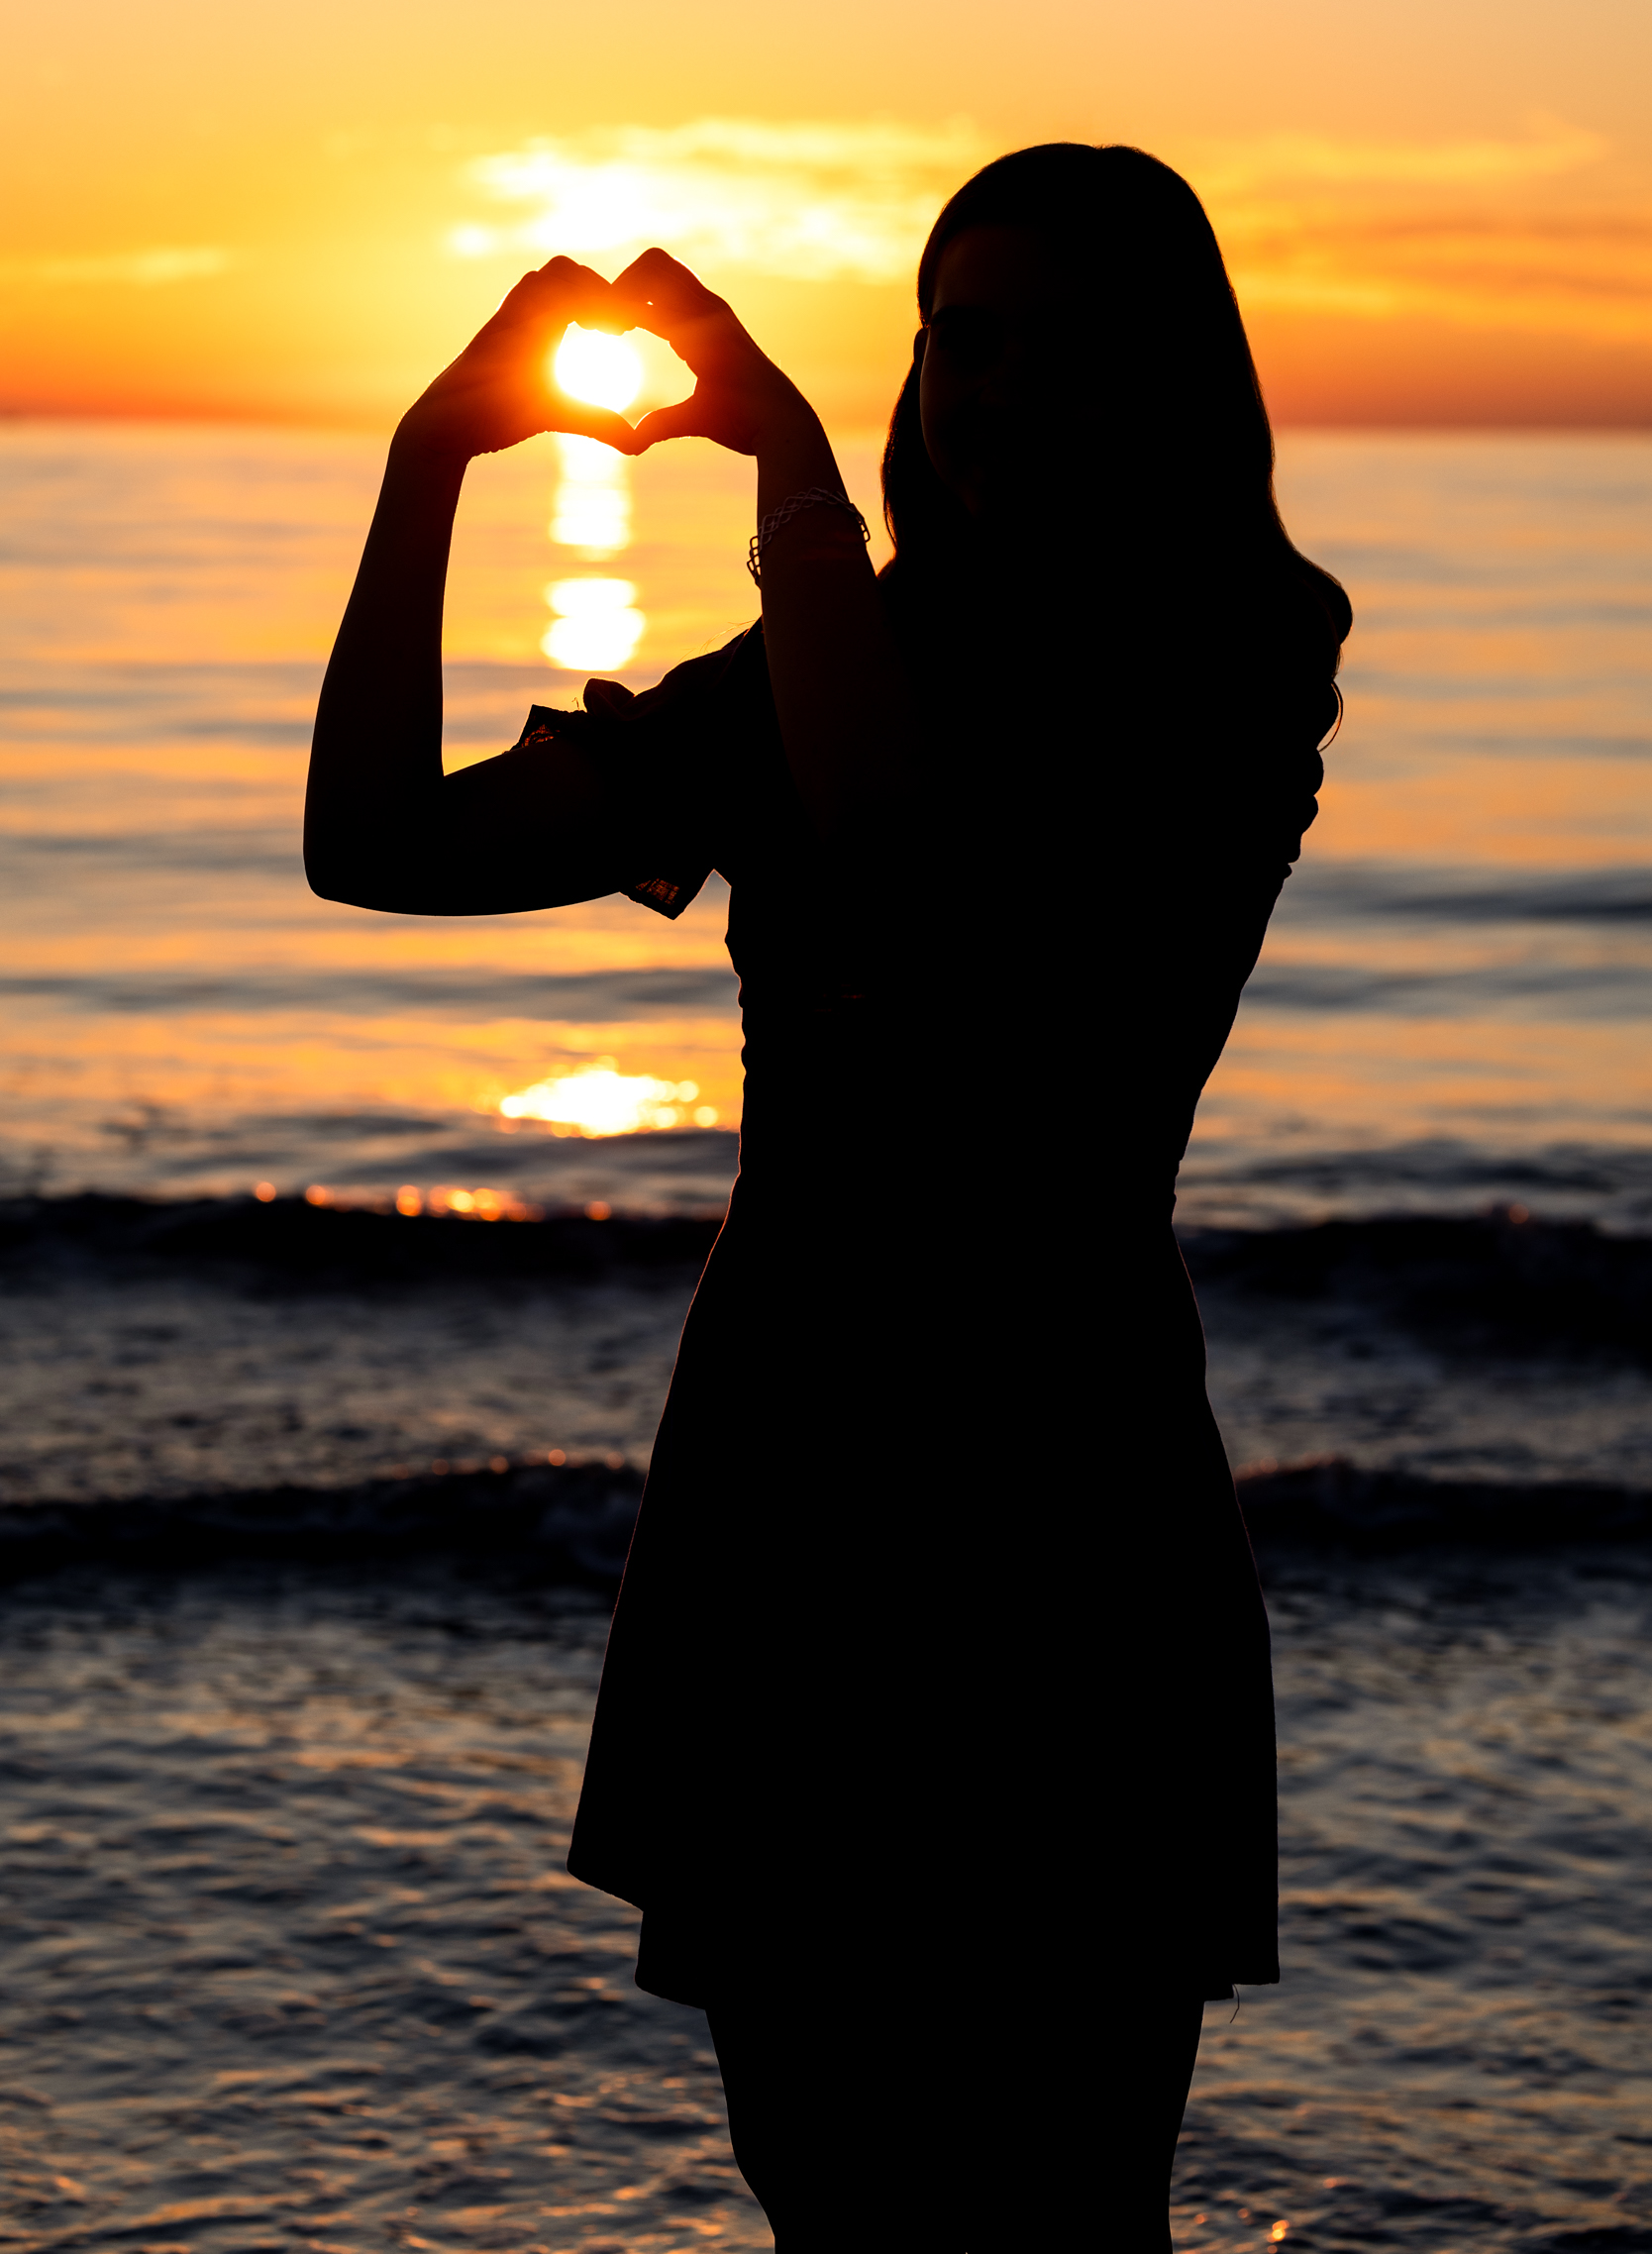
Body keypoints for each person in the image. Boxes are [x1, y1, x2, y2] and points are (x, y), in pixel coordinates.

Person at [305, 143, 1350, 2250]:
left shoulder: (1235, 653)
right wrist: (430, 458)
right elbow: (377, 844)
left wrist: (784, 458)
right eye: (968, 334)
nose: (1006, 386)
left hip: (1061, 1511)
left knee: (1053, 2196)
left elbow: (915, 856)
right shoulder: (804, 665)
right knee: (831, 2189)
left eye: (1072, 344)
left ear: (1174, 381)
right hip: (788, 1499)